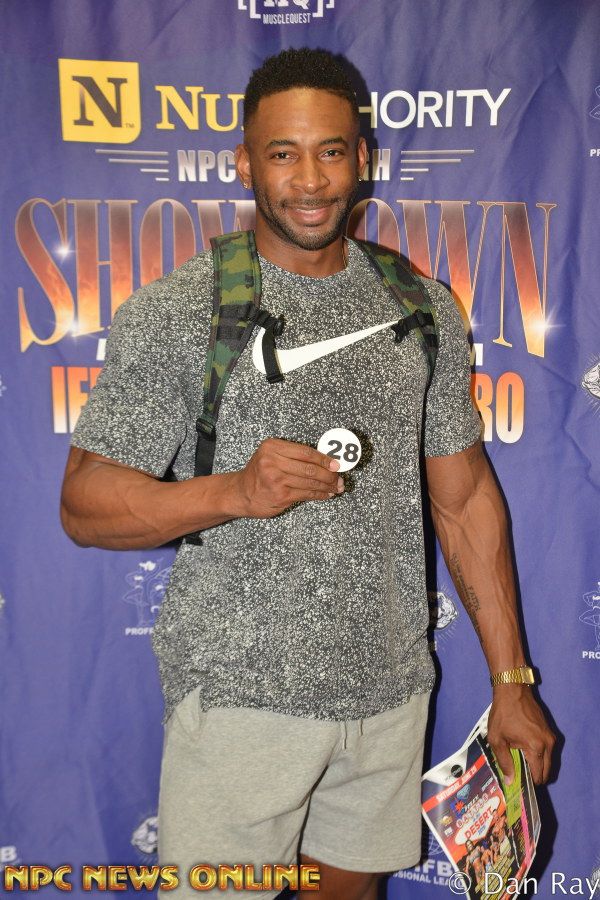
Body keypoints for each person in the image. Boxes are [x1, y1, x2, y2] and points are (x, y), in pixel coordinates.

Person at [60, 48, 555, 900]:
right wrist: (232, 492)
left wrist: (511, 680)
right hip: (240, 702)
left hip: (388, 697)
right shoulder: (182, 309)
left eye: (330, 151)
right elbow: (84, 504)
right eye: (283, 154)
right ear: (244, 164)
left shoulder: (421, 307)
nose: (311, 180)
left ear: (362, 158)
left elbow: (467, 498)